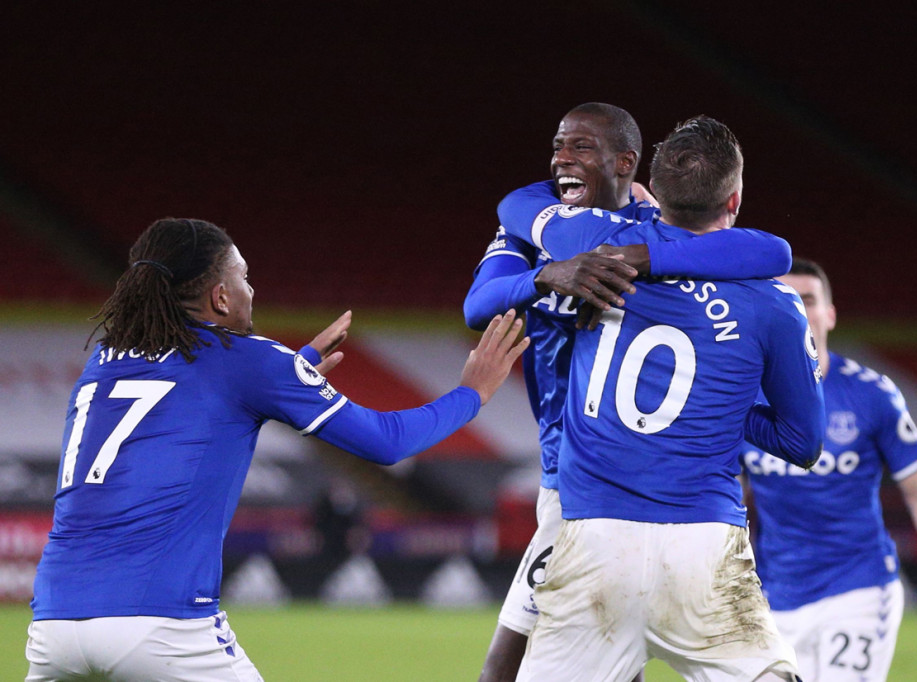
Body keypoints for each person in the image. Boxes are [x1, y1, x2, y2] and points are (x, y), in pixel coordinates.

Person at [25, 218, 529, 682]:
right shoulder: (247, 360)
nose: (252, 289)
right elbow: (387, 443)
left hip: (53, 624)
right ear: (221, 297)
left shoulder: (105, 362)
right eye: (244, 278)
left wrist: (299, 368)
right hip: (161, 626)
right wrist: (472, 393)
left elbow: (185, 403)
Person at [464, 103, 793, 682]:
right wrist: (548, 275)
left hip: (615, 487)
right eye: (559, 146)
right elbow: (477, 304)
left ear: (627, 163)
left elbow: (772, 253)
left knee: (542, 658)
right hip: (563, 473)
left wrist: (637, 255)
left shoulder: (645, 230)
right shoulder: (533, 224)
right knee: (509, 661)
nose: (564, 158)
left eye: (582, 148)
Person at [741, 258, 917, 681]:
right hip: (775, 596)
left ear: (830, 314)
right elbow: (736, 498)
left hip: (858, 588)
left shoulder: (873, 395)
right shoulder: (744, 400)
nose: (799, 308)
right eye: (787, 299)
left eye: (810, 299)